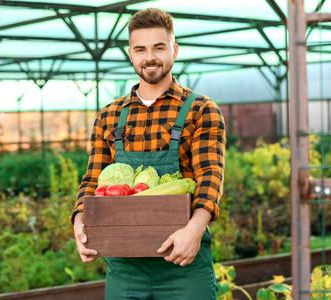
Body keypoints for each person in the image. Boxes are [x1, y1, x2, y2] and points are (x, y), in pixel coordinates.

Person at [70, 7, 225, 299]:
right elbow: (92, 178)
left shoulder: (201, 109)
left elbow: (210, 177)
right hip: (125, 266)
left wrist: (193, 232)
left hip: (184, 263)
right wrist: (80, 222)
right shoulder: (109, 115)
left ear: (174, 50)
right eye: (140, 49)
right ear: (130, 54)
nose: (149, 57)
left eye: (159, 47)